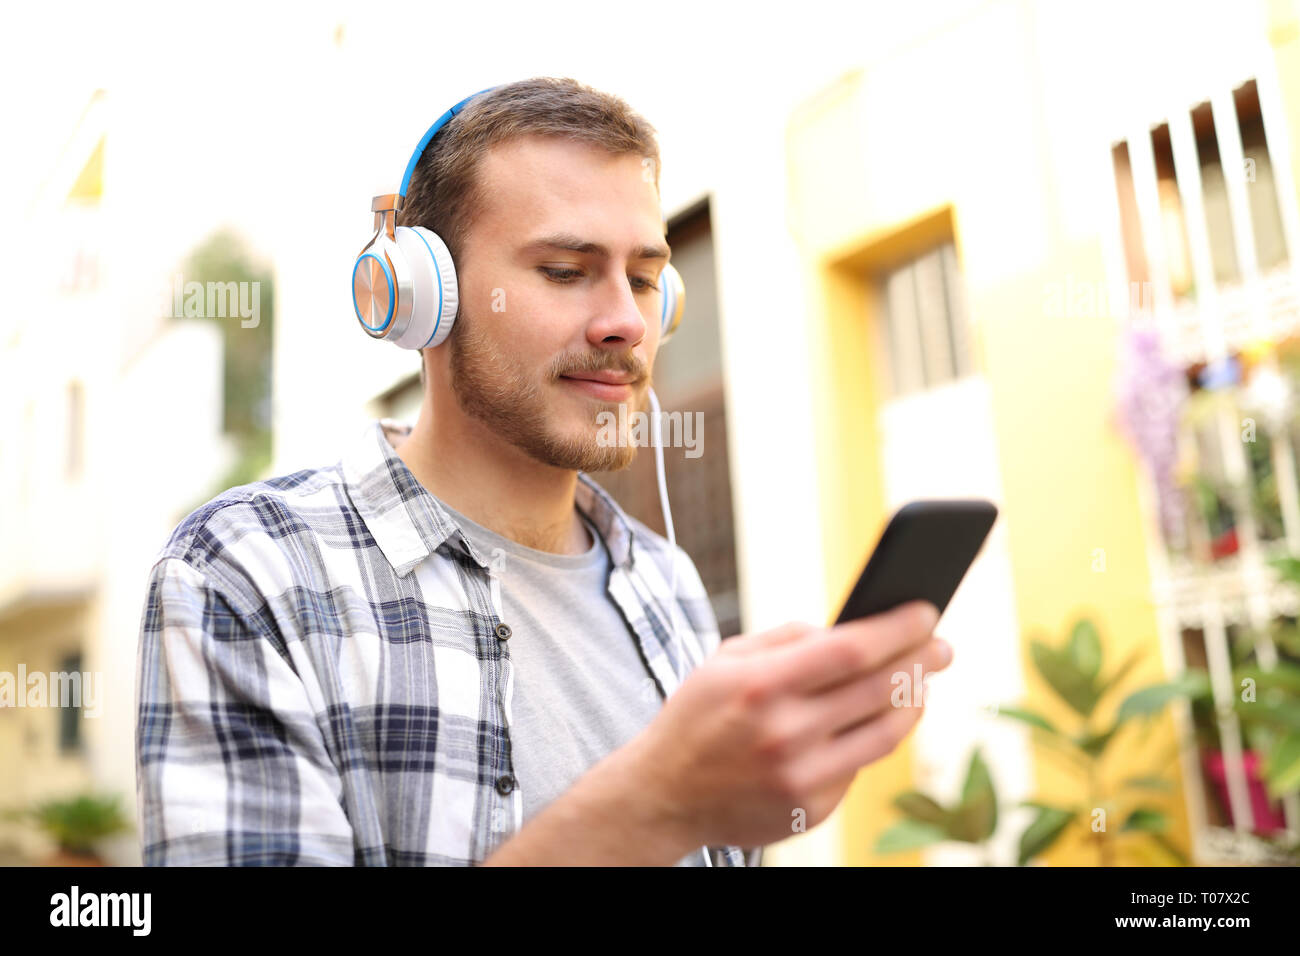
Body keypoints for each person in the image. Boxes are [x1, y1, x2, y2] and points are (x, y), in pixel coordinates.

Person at [134, 76, 952, 867]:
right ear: (419, 296)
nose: (627, 323)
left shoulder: (665, 584)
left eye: (644, 279)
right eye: (565, 271)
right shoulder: (247, 574)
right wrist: (659, 804)